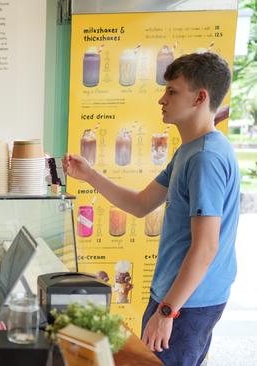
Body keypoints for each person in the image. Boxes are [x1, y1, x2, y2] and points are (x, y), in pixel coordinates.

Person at [63, 52, 238, 366]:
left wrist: (167, 311)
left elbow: (207, 247)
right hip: (176, 297)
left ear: (200, 97)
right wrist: (89, 174)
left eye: (172, 91)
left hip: (186, 304)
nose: (162, 99)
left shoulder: (205, 158)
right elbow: (141, 204)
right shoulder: (190, 151)